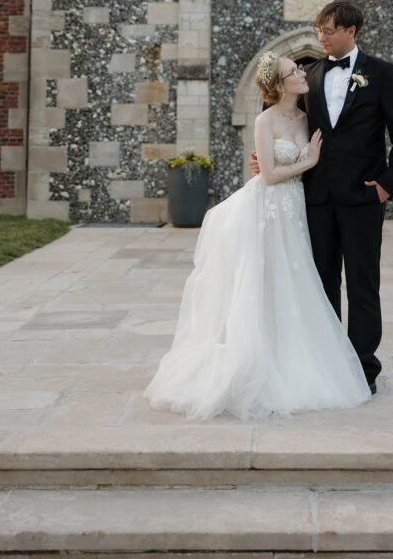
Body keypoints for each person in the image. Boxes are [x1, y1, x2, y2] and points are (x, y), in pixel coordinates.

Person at [143, 52, 371, 421]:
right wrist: (308, 161)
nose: (301, 72)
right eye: (294, 71)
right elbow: (266, 174)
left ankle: (292, 356)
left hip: (296, 208)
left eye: (299, 69)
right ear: (279, 85)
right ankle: (255, 363)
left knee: (294, 281)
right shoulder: (265, 120)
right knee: (262, 281)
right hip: (269, 206)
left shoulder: (309, 114)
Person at [254, 0, 393, 394]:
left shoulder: (382, 73)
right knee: (322, 284)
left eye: (328, 31)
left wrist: (387, 184)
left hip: (363, 197)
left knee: (363, 284)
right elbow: (277, 114)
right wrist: (262, 156)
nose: (321, 37)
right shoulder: (308, 75)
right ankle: (327, 364)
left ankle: (363, 369)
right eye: (319, 30)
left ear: (351, 31)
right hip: (317, 199)